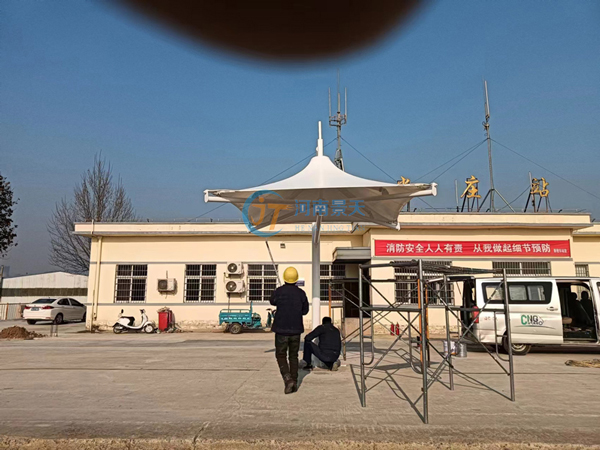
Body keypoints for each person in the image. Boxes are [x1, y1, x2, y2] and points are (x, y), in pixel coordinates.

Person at [269, 266, 309, 394]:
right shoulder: (301, 293)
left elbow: (272, 301)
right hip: (296, 330)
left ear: (285, 278)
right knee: (293, 356)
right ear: (296, 279)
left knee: (281, 355)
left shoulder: (279, 291)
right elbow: (305, 311)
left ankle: (288, 379)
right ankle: (294, 382)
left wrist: (277, 293)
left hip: (281, 330)